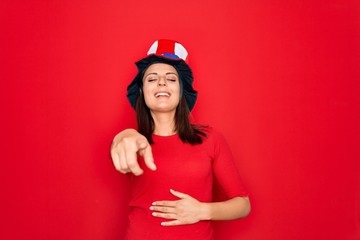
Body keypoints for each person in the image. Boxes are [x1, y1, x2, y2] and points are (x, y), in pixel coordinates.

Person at [111, 39, 250, 240]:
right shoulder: (133, 143)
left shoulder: (211, 139)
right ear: (142, 92)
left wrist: (201, 211)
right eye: (151, 79)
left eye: (171, 78)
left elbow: (243, 205)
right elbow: (118, 147)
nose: (161, 82)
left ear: (181, 91)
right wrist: (123, 136)